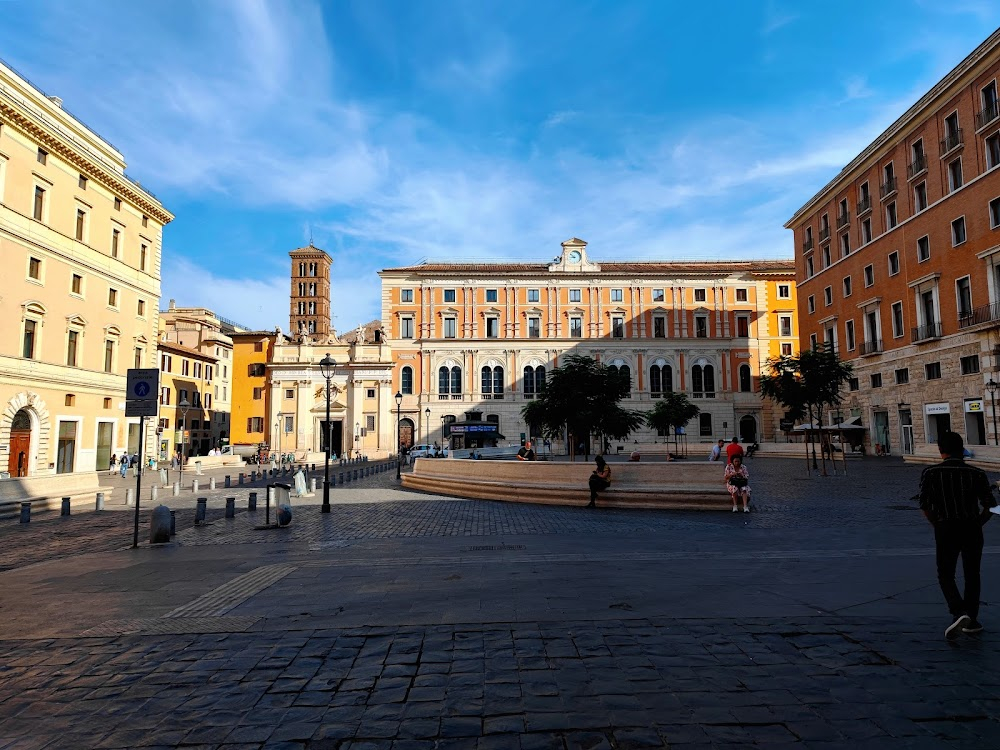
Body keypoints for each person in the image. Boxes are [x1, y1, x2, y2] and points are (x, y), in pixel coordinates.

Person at [918, 431, 996, 639]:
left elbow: (925, 505)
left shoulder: (931, 473)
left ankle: (958, 611)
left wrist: (936, 523)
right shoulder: (977, 474)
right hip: (971, 527)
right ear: (962, 449)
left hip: (946, 527)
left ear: (940, 450)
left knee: (945, 573)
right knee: (972, 573)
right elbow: (991, 506)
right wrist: (978, 523)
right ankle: (972, 618)